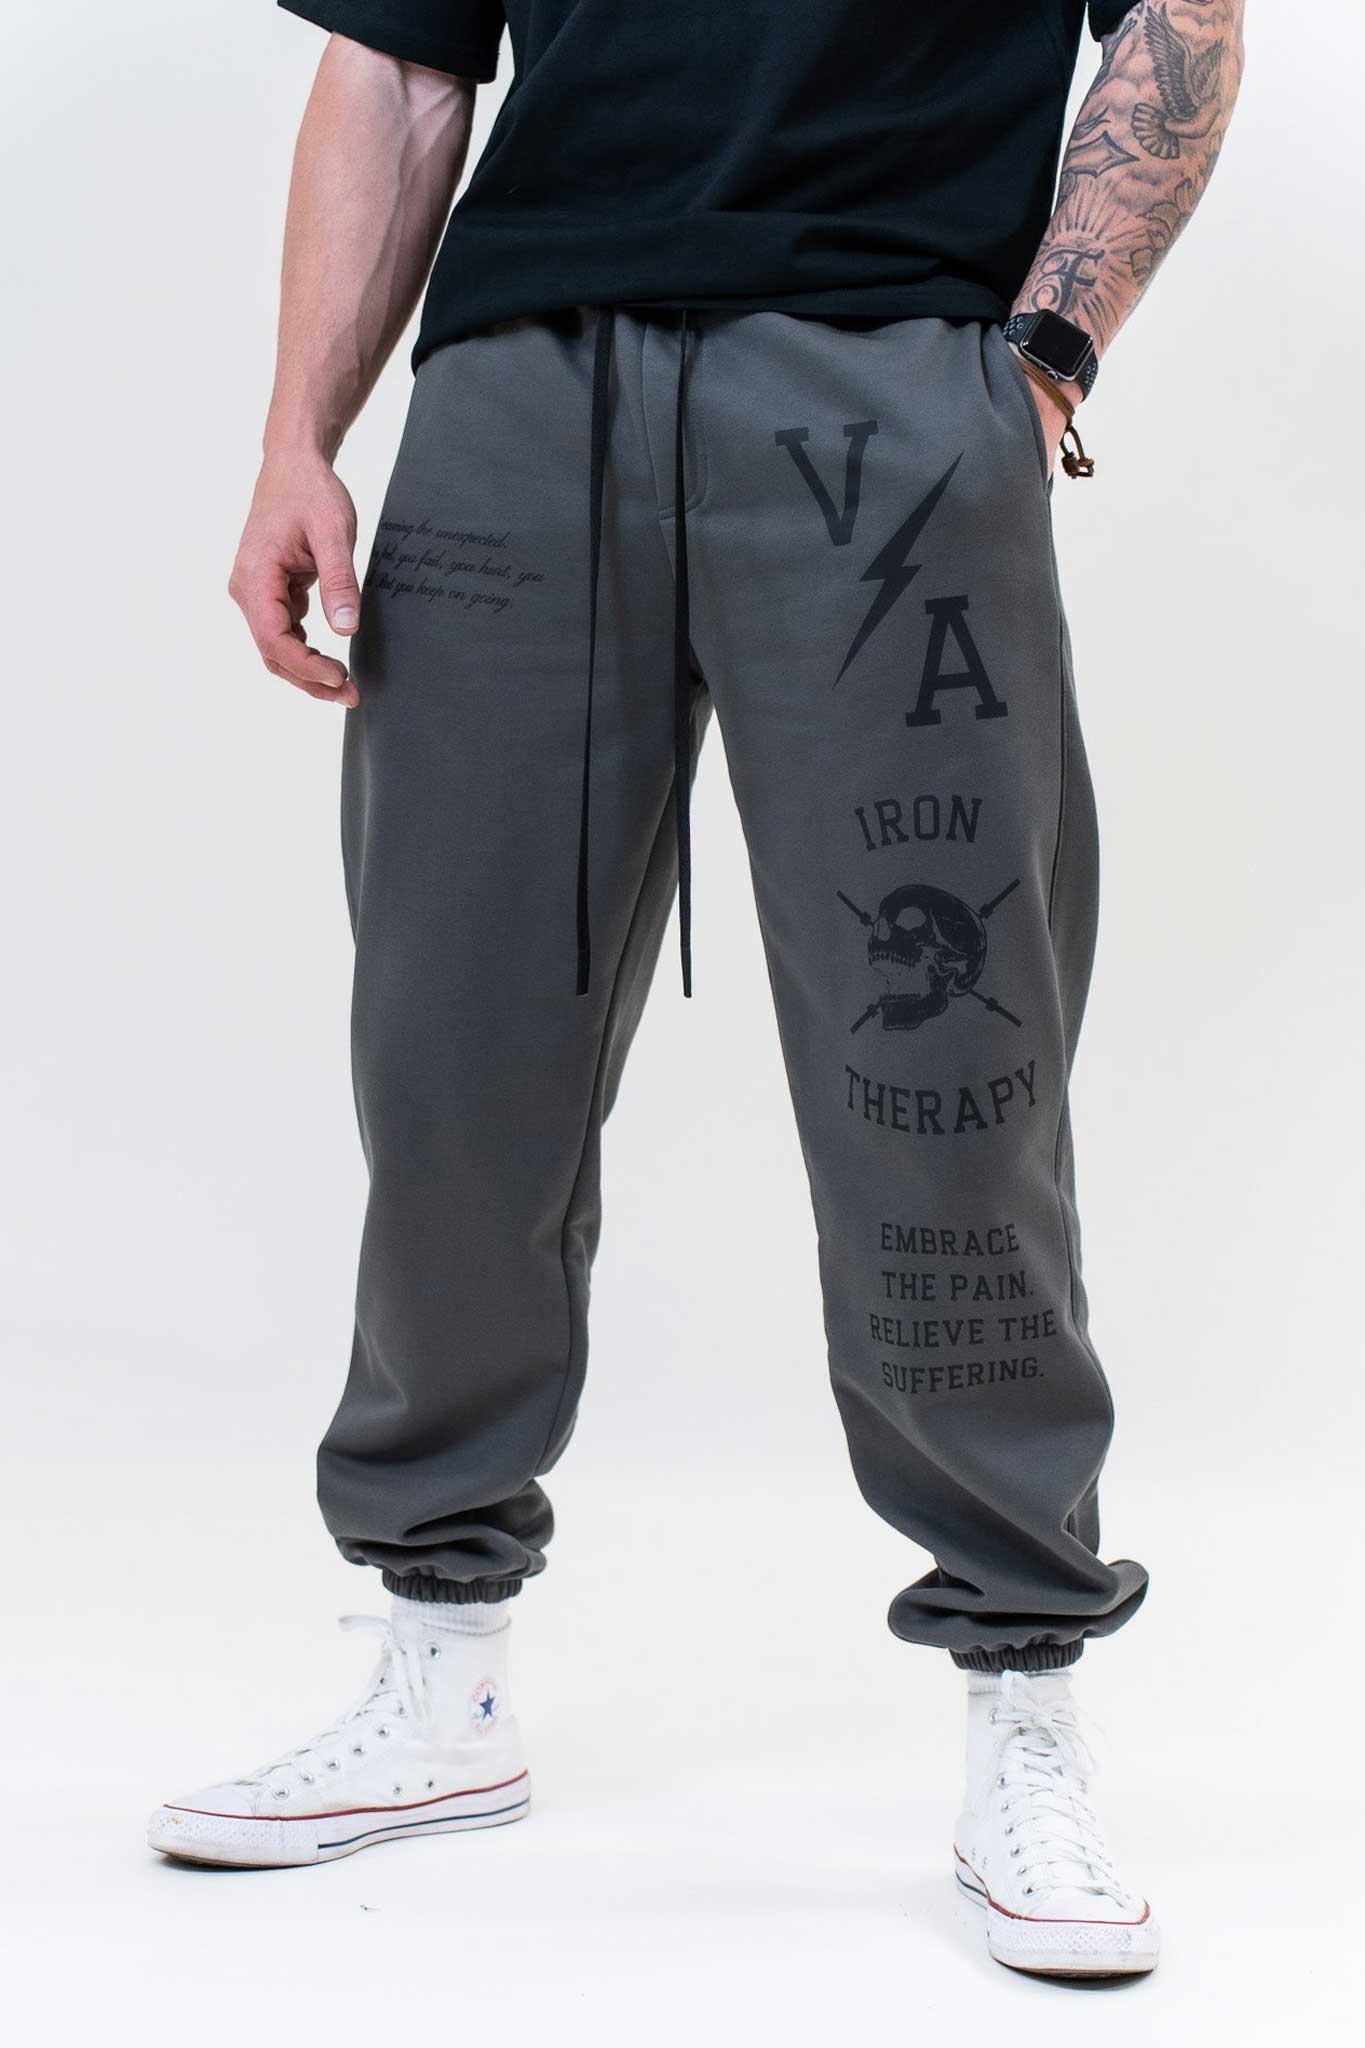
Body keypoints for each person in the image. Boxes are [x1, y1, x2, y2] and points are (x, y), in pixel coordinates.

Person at [149, 0, 1244, 1979]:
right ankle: (442, 1676)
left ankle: (1022, 1702)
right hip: (519, 386)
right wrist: (297, 435)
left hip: (886, 378)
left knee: (950, 1077)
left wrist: (1044, 356)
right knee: (451, 1056)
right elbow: (399, 61)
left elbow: (1183, 12)